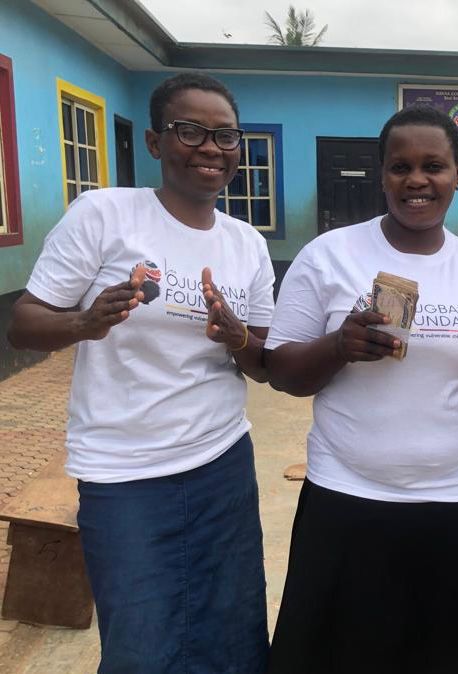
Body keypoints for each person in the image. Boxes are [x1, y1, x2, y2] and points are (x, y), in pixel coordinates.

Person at [264, 105, 458, 674]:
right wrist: (338, 345)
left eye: (434, 166)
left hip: (456, 509)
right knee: (339, 657)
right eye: (401, 166)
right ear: (382, 174)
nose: (417, 180)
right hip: (347, 503)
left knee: (441, 658)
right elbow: (282, 373)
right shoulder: (330, 256)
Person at [7, 73, 274, 672]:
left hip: (221, 463)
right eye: (191, 131)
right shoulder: (105, 214)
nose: (210, 147)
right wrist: (84, 323)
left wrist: (239, 339)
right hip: (123, 472)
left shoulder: (247, 245)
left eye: (225, 135)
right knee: (141, 640)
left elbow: (262, 360)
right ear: (155, 143)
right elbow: (23, 322)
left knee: (231, 630)